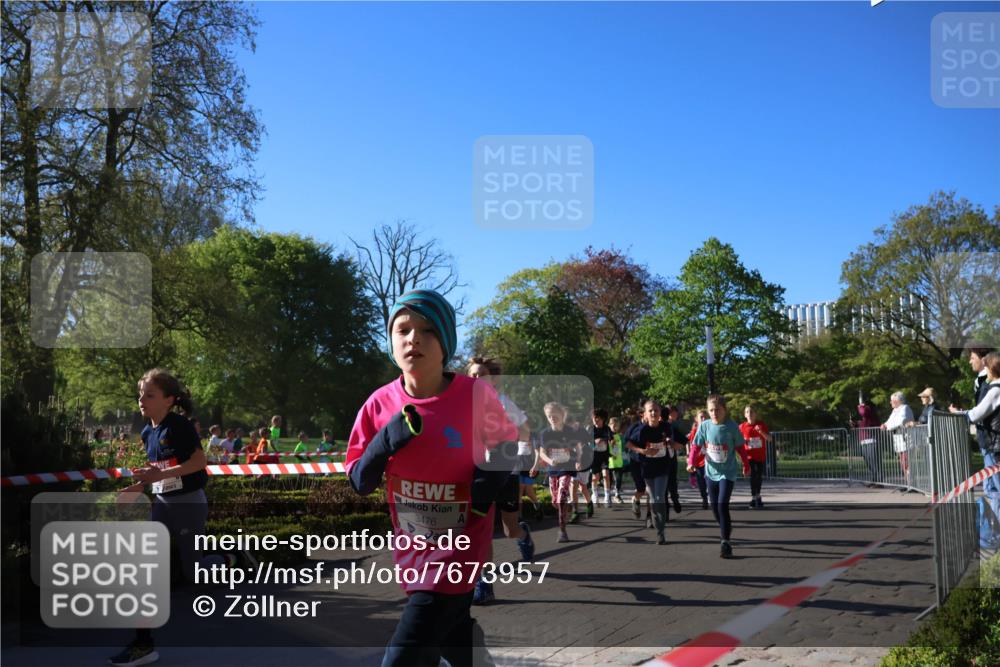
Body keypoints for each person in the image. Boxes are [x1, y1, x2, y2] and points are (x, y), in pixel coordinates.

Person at [345, 289, 519, 666]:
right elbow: (360, 480)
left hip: (459, 547)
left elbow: (508, 446)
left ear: (446, 343)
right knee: (456, 637)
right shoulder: (378, 404)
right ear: (391, 342)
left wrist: (481, 494)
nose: (414, 338)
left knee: (405, 654)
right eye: (403, 330)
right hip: (412, 549)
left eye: (428, 330)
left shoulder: (476, 395)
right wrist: (385, 441)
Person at [110, 369, 208, 667]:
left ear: (169, 400)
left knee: (195, 574)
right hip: (163, 504)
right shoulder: (147, 432)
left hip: (189, 504)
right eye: (140, 394)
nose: (142, 400)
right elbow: (158, 474)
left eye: (149, 395)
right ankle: (143, 645)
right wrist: (138, 487)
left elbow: (199, 462)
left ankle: (232, 558)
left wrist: (157, 476)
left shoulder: (179, 426)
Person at [466, 356, 534, 605]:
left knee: (509, 530)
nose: (476, 378)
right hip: (478, 472)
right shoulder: (463, 403)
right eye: (472, 375)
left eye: (481, 374)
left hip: (506, 472)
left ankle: (522, 535)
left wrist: (518, 454)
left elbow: (525, 430)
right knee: (482, 529)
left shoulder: (503, 402)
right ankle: (484, 583)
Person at [689, 394, 750, 558]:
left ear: (724, 410)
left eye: (717, 410)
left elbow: (740, 447)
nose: (714, 413)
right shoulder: (705, 426)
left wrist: (746, 464)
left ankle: (725, 542)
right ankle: (726, 526)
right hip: (710, 473)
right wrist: (691, 462)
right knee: (714, 507)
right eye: (711, 410)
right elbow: (696, 446)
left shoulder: (731, 426)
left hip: (727, 473)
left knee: (722, 505)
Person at [951, 350, 1000, 518]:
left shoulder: (995, 390)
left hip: (995, 445)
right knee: (991, 487)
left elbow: (975, 415)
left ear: (992, 369)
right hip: (993, 443)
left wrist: (958, 414)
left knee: (995, 488)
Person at [626, 400, 674, 545]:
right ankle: (657, 526)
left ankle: (661, 532)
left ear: (660, 413)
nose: (653, 413)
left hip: (663, 467)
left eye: (656, 410)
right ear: (645, 414)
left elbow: (673, 440)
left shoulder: (666, 427)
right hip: (647, 468)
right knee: (653, 499)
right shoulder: (642, 430)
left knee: (659, 497)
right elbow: (628, 443)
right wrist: (643, 451)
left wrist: (669, 442)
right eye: (650, 411)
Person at [537, 401, 585, 543]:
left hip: (567, 467)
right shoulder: (545, 433)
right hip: (553, 469)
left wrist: (578, 461)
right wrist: (549, 460)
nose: (552, 418)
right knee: (555, 502)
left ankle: (562, 530)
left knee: (562, 494)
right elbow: (542, 452)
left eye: (555, 415)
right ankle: (566, 508)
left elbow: (578, 448)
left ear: (562, 415)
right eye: (549, 416)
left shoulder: (570, 431)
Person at [881, 391, 915, 489]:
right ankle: (908, 483)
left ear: (897, 401)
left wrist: (887, 427)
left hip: (906, 439)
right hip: (899, 440)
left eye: (892, 400)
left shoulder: (905, 408)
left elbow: (900, 421)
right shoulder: (895, 410)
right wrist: (885, 424)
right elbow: (890, 421)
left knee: (906, 462)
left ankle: (911, 484)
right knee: (903, 462)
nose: (890, 402)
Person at [739, 405, 770, 509]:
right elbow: (737, 441)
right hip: (749, 456)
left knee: (758, 477)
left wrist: (761, 432)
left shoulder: (761, 425)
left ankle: (757, 496)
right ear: (745, 415)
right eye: (747, 412)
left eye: (752, 412)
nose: (750, 414)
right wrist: (742, 441)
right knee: (753, 476)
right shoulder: (742, 427)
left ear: (755, 414)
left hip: (760, 456)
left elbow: (769, 439)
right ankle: (754, 497)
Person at [664, 405, 687, 514]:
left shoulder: (672, 427)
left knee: (672, 482)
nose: (677, 414)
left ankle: (675, 499)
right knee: (664, 484)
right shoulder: (659, 426)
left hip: (671, 458)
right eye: (674, 412)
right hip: (660, 460)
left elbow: (683, 441)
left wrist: (673, 444)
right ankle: (665, 508)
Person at [589, 409, 614, 507]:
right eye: (594, 418)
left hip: (604, 456)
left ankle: (607, 496)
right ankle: (594, 494)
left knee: (606, 474)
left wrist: (611, 442)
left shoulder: (607, 429)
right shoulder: (590, 429)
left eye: (597, 418)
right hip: (594, 456)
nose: (595, 420)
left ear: (603, 419)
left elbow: (611, 439)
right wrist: (594, 441)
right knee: (595, 477)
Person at [687, 410, 710, 510]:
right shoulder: (694, 431)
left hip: (710, 460)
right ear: (696, 419)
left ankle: (712, 496)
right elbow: (692, 446)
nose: (703, 419)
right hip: (699, 461)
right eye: (701, 417)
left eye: (705, 417)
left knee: (710, 480)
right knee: (701, 483)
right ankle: (704, 498)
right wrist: (689, 459)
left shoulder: (711, 429)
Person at [856, 398, 882, 486]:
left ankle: (879, 482)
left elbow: (863, 412)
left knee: (875, 462)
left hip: (872, 440)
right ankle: (874, 480)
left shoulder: (870, 412)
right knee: (869, 462)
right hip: (864, 441)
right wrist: (855, 424)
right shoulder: (866, 417)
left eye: (864, 406)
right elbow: (863, 424)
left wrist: (861, 406)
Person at [608, 417, 627, 503]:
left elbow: (623, 447)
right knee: (610, 480)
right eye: (614, 425)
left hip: (619, 462)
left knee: (618, 479)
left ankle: (617, 495)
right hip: (610, 462)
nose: (615, 427)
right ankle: (608, 495)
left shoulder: (620, 436)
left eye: (617, 426)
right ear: (609, 425)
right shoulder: (607, 436)